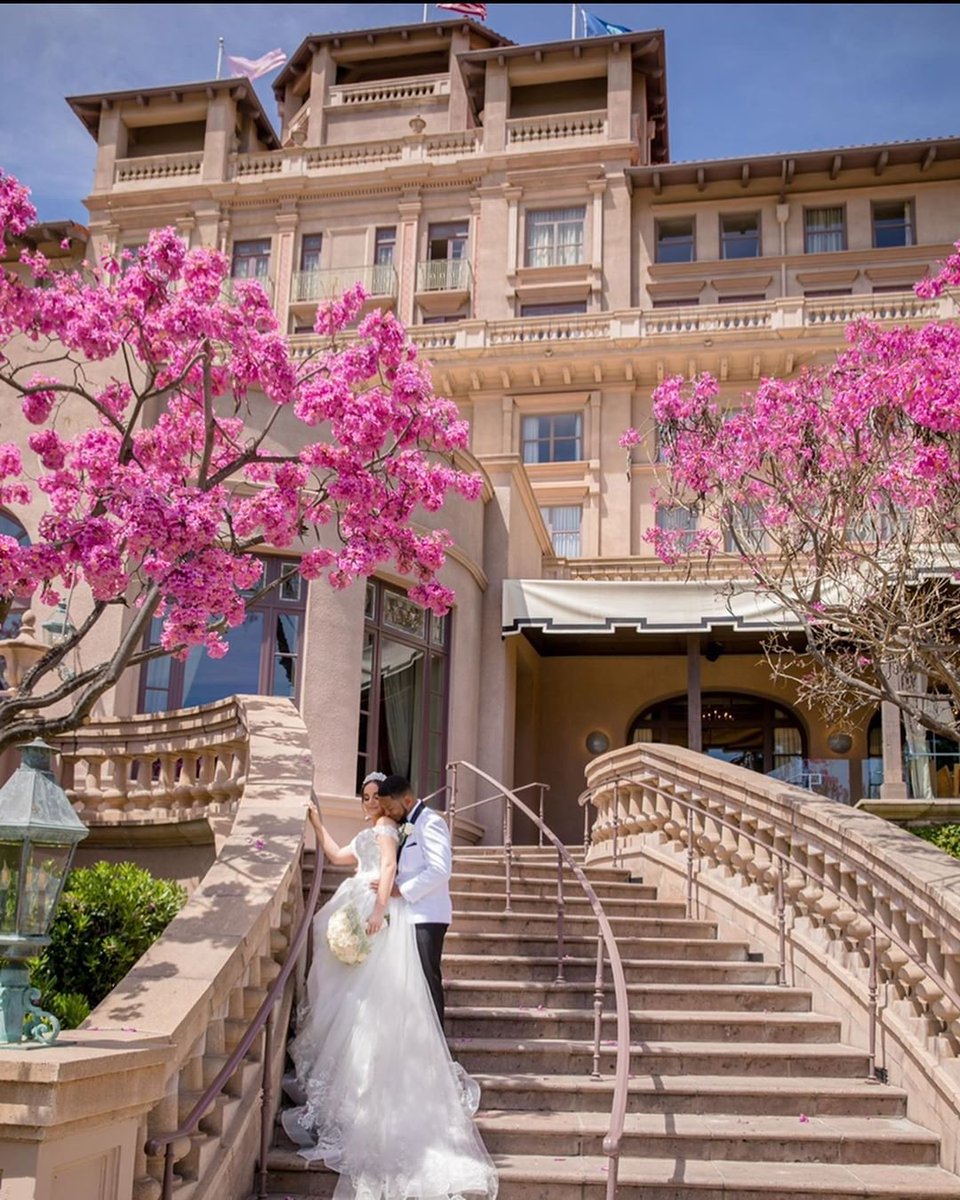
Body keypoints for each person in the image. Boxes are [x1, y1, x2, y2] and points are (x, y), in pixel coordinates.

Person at [282, 777, 497, 1200]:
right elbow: (342, 855)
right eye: (366, 797)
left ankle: (432, 1052)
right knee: (364, 993)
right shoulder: (388, 828)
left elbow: (416, 869)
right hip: (389, 907)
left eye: (378, 798)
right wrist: (315, 822)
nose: (375, 803)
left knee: (418, 985)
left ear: (398, 800)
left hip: (415, 911)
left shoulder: (420, 824)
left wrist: (387, 899)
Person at [374, 773, 453, 1028]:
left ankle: (438, 1047)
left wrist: (402, 890)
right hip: (412, 913)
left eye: (390, 807)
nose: (388, 812)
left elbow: (441, 869)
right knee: (414, 984)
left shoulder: (430, 823)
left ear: (407, 800)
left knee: (428, 981)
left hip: (428, 916)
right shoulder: (409, 823)